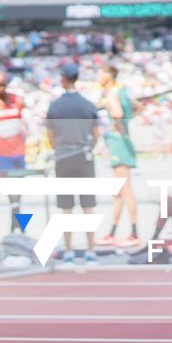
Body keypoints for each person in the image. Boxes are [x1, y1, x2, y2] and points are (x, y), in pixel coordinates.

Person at [43, 61, 103, 265]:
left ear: (63, 79)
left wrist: (59, 148)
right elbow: (96, 132)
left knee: (66, 208)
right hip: (84, 157)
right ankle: (91, 250)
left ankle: (68, 251)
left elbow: (49, 135)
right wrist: (89, 146)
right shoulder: (87, 104)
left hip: (63, 158)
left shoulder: (55, 105)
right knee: (87, 206)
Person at [98, 62, 140, 245]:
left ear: (107, 77)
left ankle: (134, 233)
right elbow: (137, 107)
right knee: (118, 192)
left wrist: (119, 129)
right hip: (121, 142)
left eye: (100, 75)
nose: (98, 79)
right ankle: (112, 232)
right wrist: (126, 125)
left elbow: (116, 113)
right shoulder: (121, 91)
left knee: (125, 190)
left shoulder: (112, 95)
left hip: (118, 145)